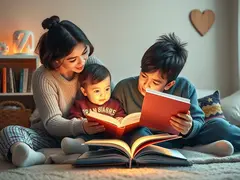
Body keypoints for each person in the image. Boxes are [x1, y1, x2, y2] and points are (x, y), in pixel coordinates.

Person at [0, 15, 106, 167]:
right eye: (72, 59)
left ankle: (69, 151)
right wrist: (81, 125)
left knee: (103, 135)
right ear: (56, 60)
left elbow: (112, 93)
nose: (82, 61)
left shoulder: (92, 63)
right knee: (9, 132)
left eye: (85, 52)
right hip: (49, 134)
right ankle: (25, 153)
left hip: (85, 133)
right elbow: (52, 122)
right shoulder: (43, 76)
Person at [112, 33, 239, 157]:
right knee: (139, 135)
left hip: (183, 137)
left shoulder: (185, 87)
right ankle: (194, 150)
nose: (145, 85)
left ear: (169, 84)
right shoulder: (124, 88)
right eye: (143, 76)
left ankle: (190, 149)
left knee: (220, 126)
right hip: (149, 139)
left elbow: (198, 121)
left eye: (155, 82)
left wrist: (189, 127)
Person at [61, 63, 126, 154]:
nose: (103, 94)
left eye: (107, 89)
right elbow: (73, 118)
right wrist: (81, 121)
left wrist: (120, 119)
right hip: (90, 136)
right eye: (97, 91)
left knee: (121, 140)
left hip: (110, 138)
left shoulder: (114, 104)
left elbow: (121, 115)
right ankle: (78, 146)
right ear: (84, 91)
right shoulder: (80, 104)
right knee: (83, 139)